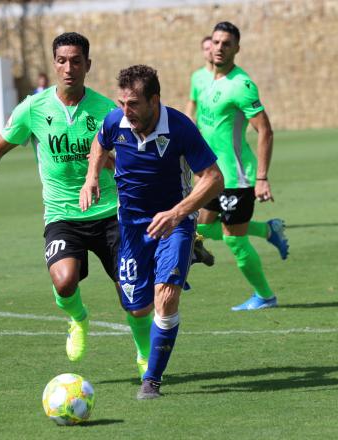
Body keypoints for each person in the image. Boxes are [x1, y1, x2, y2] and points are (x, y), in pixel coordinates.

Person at [0, 33, 153, 377]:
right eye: (61, 60)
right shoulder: (34, 108)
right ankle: (78, 319)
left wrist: (113, 166)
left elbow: (131, 160)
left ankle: (145, 355)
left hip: (110, 214)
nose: (68, 67)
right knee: (64, 282)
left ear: (88, 64)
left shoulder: (108, 111)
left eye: (75, 61)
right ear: (53, 64)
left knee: (132, 295)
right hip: (63, 215)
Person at [80, 65, 224, 399]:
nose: (125, 111)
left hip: (175, 224)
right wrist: (91, 177)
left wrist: (177, 213)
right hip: (130, 226)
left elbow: (214, 178)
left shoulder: (179, 127)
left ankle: (152, 380)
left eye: (133, 104)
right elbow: (99, 145)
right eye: (121, 103)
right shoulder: (115, 121)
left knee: (166, 298)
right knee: (137, 308)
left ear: (154, 100)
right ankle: (190, 256)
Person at [195, 21, 290, 311]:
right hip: (213, 175)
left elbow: (266, 131)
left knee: (234, 241)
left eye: (227, 43)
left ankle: (265, 296)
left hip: (237, 177)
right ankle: (267, 231)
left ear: (237, 48)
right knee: (199, 228)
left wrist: (261, 177)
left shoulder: (241, 85)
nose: (220, 48)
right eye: (216, 42)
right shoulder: (207, 80)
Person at [184, 35, 213, 122]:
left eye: (212, 48)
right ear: (203, 52)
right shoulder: (197, 76)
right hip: (201, 130)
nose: (210, 51)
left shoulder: (224, 76)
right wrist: (188, 115)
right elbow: (192, 100)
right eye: (207, 49)